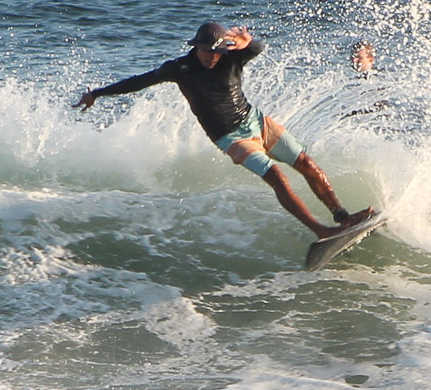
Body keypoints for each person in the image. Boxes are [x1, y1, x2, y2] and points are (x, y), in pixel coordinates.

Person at [74, 22, 373, 239]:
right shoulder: (180, 69)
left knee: (306, 163)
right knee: (277, 176)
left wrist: (247, 43)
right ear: (196, 47)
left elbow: (257, 48)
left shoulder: (232, 58)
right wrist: (98, 93)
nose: (210, 56)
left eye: (215, 51)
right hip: (230, 136)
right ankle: (320, 230)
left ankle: (342, 217)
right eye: (205, 51)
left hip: (257, 121)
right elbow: (138, 81)